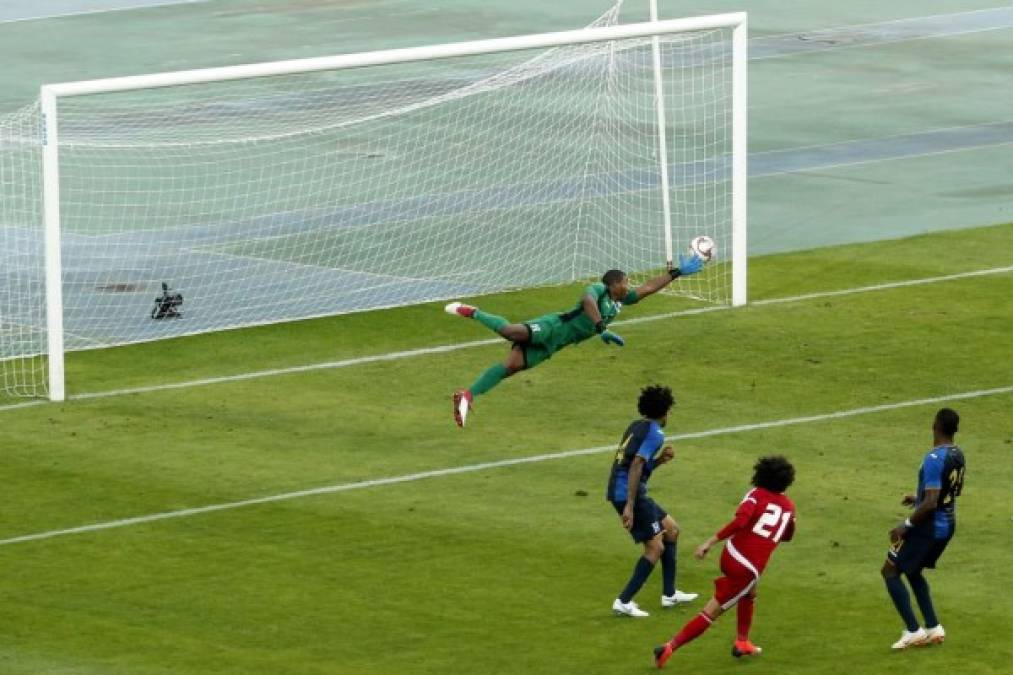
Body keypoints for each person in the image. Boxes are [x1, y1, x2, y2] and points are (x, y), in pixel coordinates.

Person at [443, 254, 705, 427]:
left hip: (556, 345)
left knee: (509, 367)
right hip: (553, 327)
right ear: (615, 283)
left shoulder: (619, 301)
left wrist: (677, 273)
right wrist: (600, 327)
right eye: (626, 281)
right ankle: (473, 311)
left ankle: (467, 395)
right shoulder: (599, 290)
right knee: (511, 332)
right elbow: (586, 301)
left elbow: (647, 288)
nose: (629, 285)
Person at [654, 455, 797, 668]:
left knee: (750, 593)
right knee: (711, 611)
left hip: (731, 554)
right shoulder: (789, 507)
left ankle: (742, 642)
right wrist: (788, 520)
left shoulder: (755, 495)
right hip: (747, 568)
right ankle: (668, 647)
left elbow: (741, 520)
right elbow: (787, 536)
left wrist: (711, 543)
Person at [605, 385, 698, 618]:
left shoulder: (636, 426)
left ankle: (669, 594)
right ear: (664, 410)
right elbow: (635, 464)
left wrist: (659, 462)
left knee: (672, 530)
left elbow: (635, 464)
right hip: (628, 494)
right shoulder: (656, 433)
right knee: (655, 547)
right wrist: (629, 505)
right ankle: (623, 601)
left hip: (629, 491)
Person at [881, 407, 966, 650]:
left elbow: (931, 503)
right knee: (914, 571)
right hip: (947, 524)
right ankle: (933, 628)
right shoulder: (957, 453)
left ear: (935, 425)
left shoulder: (934, 458)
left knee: (890, 571)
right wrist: (917, 497)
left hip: (928, 526)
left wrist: (905, 525)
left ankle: (912, 630)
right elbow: (948, 493)